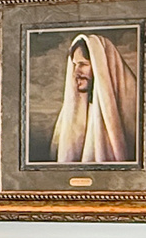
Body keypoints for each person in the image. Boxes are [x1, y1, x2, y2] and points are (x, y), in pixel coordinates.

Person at [51, 33, 141, 164]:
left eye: (83, 64)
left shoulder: (134, 103)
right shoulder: (73, 112)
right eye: (75, 65)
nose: (76, 72)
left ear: (101, 65)